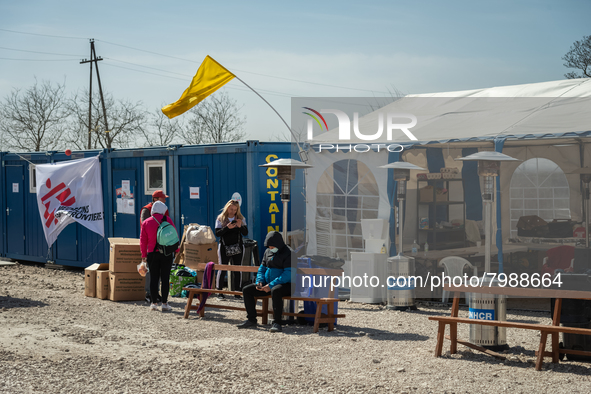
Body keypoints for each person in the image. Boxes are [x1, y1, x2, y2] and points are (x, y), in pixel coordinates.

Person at [237, 231, 293, 333]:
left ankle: (277, 322)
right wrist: (260, 281)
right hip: (267, 284)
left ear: (278, 244)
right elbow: (262, 269)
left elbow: (288, 274)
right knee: (247, 290)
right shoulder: (267, 252)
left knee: (276, 291)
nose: (271, 249)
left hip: (286, 285)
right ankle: (251, 319)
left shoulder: (289, 253)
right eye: (269, 247)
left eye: (272, 247)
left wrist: (270, 285)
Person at [140, 201, 179, 312]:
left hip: (152, 253)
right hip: (166, 253)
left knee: (154, 278)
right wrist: (176, 250)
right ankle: (165, 303)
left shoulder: (146, 222)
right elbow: (174, 235)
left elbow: (143, 241)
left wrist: (143, 255)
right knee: (165, 278)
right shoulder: (167, 220)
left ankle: (153, 303)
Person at [140, 190, 170, 303]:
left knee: (159, 273)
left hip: (162, 246)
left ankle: (156, 294)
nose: (165, 200)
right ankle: (149, 294)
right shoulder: (146, 210)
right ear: (155, 199)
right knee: (150, 273)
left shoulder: (163, 210)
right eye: (163, 198)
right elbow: (144, 227)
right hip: (151, 246)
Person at [215, 199, 248, 298]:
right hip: (224, 247)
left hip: (238, 246)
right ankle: (219, 292)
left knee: (237, 269)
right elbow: (217, 233)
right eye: (231, 209)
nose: (233, 212)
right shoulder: (221, 218)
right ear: (227, 208)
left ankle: (237, 292)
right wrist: (227, 228)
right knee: (223, 268)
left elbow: (245, 233)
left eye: (235, 210)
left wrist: (240, 226)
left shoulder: (241, 218)